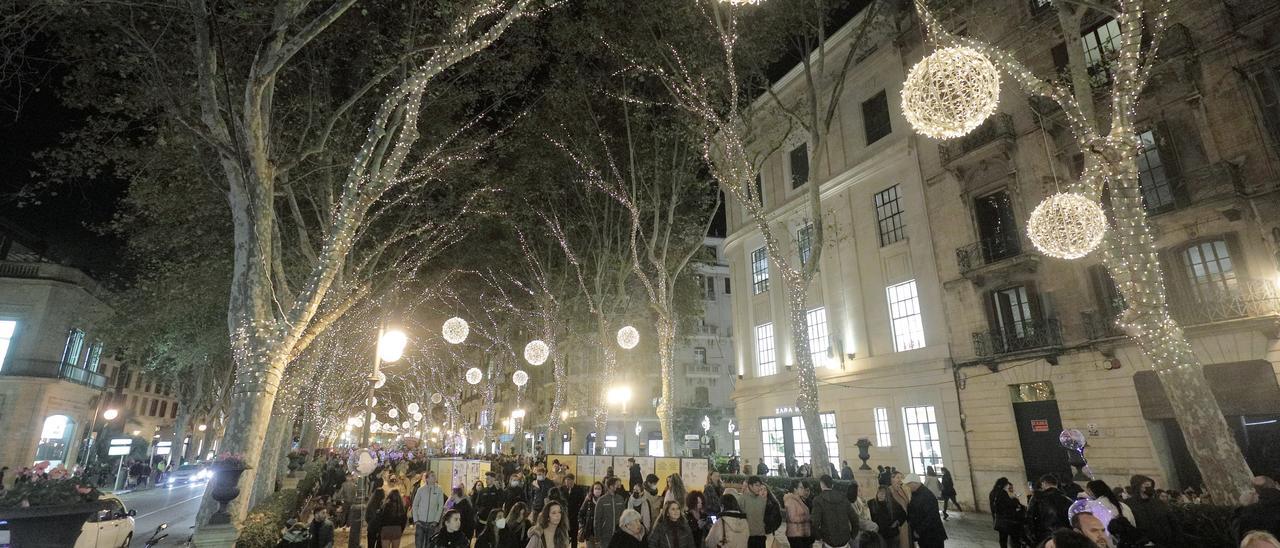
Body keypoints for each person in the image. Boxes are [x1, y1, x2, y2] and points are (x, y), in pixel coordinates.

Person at [1126, 474, 1184, 547]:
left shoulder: (1158, 502)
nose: (1150, 487)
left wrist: (1178, 538)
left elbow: (1172, 521)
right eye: (1146, 484)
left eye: (1151, 485)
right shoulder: (1129, 504)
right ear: (1138, 486)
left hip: (1167, 543)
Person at [811, 475, 858, 548]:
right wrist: (852, 535)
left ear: (821, 484)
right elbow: (855, 518)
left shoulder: (818, 500)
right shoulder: (843, 498)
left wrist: (819, 537)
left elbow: (814, 523)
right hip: (844, 541)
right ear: (832, 485)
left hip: (828, 541)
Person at [1028, 474, 1073, 544]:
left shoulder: (1037, 498)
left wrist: (1032, 538)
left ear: (1043, 483)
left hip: (1044, 537)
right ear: (1056, 484)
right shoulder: (1068, 500)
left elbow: (1029, 519)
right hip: (1065, 537)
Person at [904, 475, 946, 548]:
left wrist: (918, 531)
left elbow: (930, 517)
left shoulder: (926, 495)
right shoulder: (917, 493)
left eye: (908, 485)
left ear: (914, 483)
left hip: (932, 535)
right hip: (925, 535)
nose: (908, 487)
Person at [741, 476, 783, 548]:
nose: (763, 491)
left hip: (767, 534)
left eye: (764, 489)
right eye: (760, 490)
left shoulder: (772, 505)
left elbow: (776, 521)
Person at [1234, 476, 1280, 542]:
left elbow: (1238, 535)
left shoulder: (1249, 514)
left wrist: (1243, 507)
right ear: (1277, 484)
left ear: (1256, 492)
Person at [548, 473, 587, 541]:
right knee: (564, 535)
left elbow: (582, 503)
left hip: (575, 516)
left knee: (574, 536)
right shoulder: (561, 489)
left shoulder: (579, 489)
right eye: (566, 480)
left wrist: (579, 513)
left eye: (569, 480)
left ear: (573, 480)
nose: (567, 482)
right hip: (564, 515)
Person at [989, 478, 1026, 548]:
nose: (1007, 486)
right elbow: (1009, 504)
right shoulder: (1003, 493)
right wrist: (1014, 499)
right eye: (1007, 484)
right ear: (1004, 484)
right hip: (1008, 519)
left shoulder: (992, 492)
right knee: (1014, 538)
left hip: (999, 519)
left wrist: (994, 518)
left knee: (1003, 539)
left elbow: (992, 507)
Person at [413, 471, 446, 548]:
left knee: (429, 544)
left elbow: (440, 506)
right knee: (419, 544)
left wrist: (436, 520)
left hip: (432, 523)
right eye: (432, 476)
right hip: (420, 522)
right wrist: (416, 520)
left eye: (435, 476)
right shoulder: (421, 490)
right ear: (427, 479)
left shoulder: (439, 489)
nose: (435, 478)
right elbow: (415, 505)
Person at [595, 478, 631, 548]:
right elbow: (597, 521)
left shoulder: (620, 499)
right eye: (617, 485)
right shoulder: (602, 500)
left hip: (618, 536)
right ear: (611, 486)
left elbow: (624, 518)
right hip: (605, 536)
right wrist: (597, 538)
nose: (619, 487)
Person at [782, 480, 812, 548]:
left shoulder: (799, 499)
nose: (803, 490)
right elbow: (792, 518)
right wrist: (807, 517)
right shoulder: (790, 500)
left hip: (801, 533)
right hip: (795, 535)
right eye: (801, 488)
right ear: (795, 489)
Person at [887, 472, 911, 548]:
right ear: (892, 479)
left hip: (906, 521)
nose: (900, 479)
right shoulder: (889, 490)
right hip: (897, 523)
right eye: (897, 477)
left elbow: (907, 503)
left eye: (901, 477)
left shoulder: (903, 489)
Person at [581, 482, 604, 548]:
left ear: (602, 490)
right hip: (589, 532)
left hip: (600, 533)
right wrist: (583, 525)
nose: (597, 490)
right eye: (596, 488)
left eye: (599, 489)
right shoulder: (588, 501)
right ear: (592, 490)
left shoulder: (604, 502)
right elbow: (581, 513)